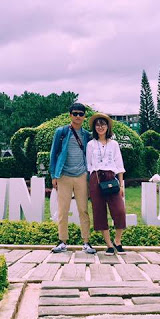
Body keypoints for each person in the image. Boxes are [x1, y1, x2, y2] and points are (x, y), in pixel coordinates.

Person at [49, 103, 96, 254]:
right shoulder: (61, 132)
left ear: (84, 116)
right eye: (75, 113)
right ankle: (62, 241)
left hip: (82, 175)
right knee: (63, 210)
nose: (78, 116)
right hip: (64, 175)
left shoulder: (87, 135)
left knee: (83, 210)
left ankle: (86, 242)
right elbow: (53, 154)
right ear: (70, 115)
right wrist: (54, 175)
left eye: (81, 114)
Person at [86, 113, 127, 255]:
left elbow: (119, 165)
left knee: (119, 211)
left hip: (111, 177)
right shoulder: (91, 144)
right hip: (96, 178)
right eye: (97, 125)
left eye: (103, 124)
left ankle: (117, 241)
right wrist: (90, 185)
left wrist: (121, 185)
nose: (100, 127)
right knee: (99, 211)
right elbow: (89, 165)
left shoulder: (114, 144)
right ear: (94, 127)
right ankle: (109, 244)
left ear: (107, 126)